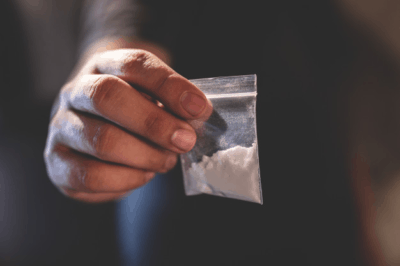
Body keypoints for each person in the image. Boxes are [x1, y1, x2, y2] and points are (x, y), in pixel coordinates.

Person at [44, 0, 398, 265]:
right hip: (197, 228)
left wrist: (360, 226)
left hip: (323, 208)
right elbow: (126, 24)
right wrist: (103, 82)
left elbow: (331, 89)